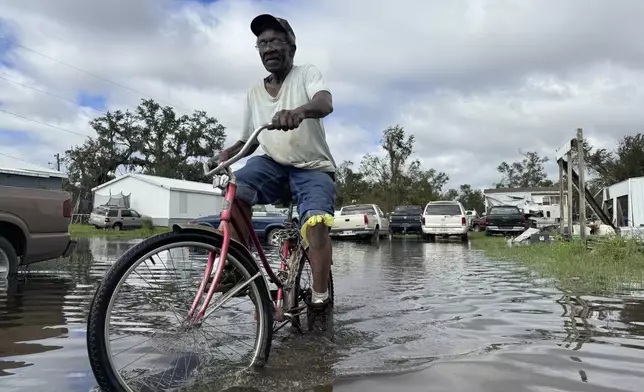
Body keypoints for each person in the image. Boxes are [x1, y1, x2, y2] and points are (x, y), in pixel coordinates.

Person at [216, 14, 336, 335]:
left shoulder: (306, 73)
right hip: (272, 165)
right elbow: (248, 140)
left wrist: (300, 111)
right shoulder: (255, 91)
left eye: (275, 41)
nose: (268, 48)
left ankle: (321, 299)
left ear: (291, 46)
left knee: (315, 225)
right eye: (262, 43)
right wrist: (228, 153)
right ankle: (235, 267)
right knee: (237, 187)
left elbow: (324, 102)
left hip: (312, 167)